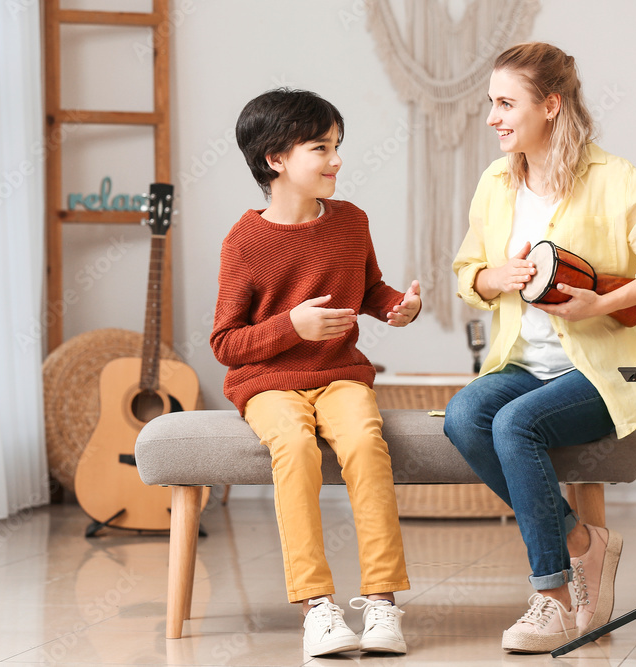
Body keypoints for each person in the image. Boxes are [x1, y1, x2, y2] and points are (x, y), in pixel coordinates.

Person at [444, 42, 636, 654]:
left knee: (513, 424)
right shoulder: (495, 183)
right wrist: (492, 278)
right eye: (491, 103)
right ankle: (584, 546)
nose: (492, 117)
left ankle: (554, 600)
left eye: (506, 103)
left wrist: (600, 304)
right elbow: (466, 270)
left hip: (600, 370)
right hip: (523, 365)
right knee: (464, 414)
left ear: (551, 105)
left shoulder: (615, 180)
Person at [210, 88, 422, 657]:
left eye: (337, 145)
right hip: (267, 383)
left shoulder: (352, 222)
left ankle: (381, 603)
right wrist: (291, 328)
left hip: (341, 375)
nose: (336, 159)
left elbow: (370, 288)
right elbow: (226, 344)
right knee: (296, 450)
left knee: (364, 442)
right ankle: (317, 608)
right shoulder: (245, 241)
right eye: (319, 147)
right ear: (274, 159)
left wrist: (398, 306)